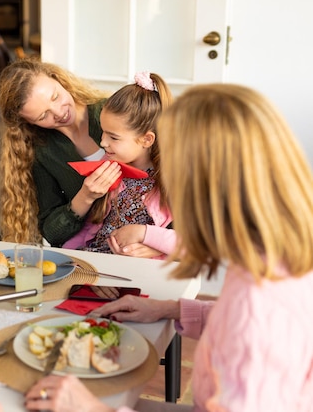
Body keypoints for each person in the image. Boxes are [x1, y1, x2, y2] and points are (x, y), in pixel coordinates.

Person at [24, 84, 313, 411]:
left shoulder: (260, 307)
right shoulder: (271, 256)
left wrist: (92, 408)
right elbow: (234, 321)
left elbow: (250, 324)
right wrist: (171, 309)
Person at [0, 58, 121, 245]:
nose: (59, 113)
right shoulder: (42, 152)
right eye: (43, 115)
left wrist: (152, 241)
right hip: (91, 247)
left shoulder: (113, 110)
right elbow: (51, 232)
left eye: (55, 97)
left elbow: (167, 180)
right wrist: (84, 197)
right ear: (30, 123)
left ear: (59, 80)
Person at [62, 72, 176, 259]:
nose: (103, 143)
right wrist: (67, 257)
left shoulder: (171, 180)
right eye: (103, 133)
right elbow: (92, 225)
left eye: (113, 137)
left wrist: (144, 233)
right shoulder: (110, 168)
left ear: (146, 139)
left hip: (138, 274)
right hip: (96, 263)